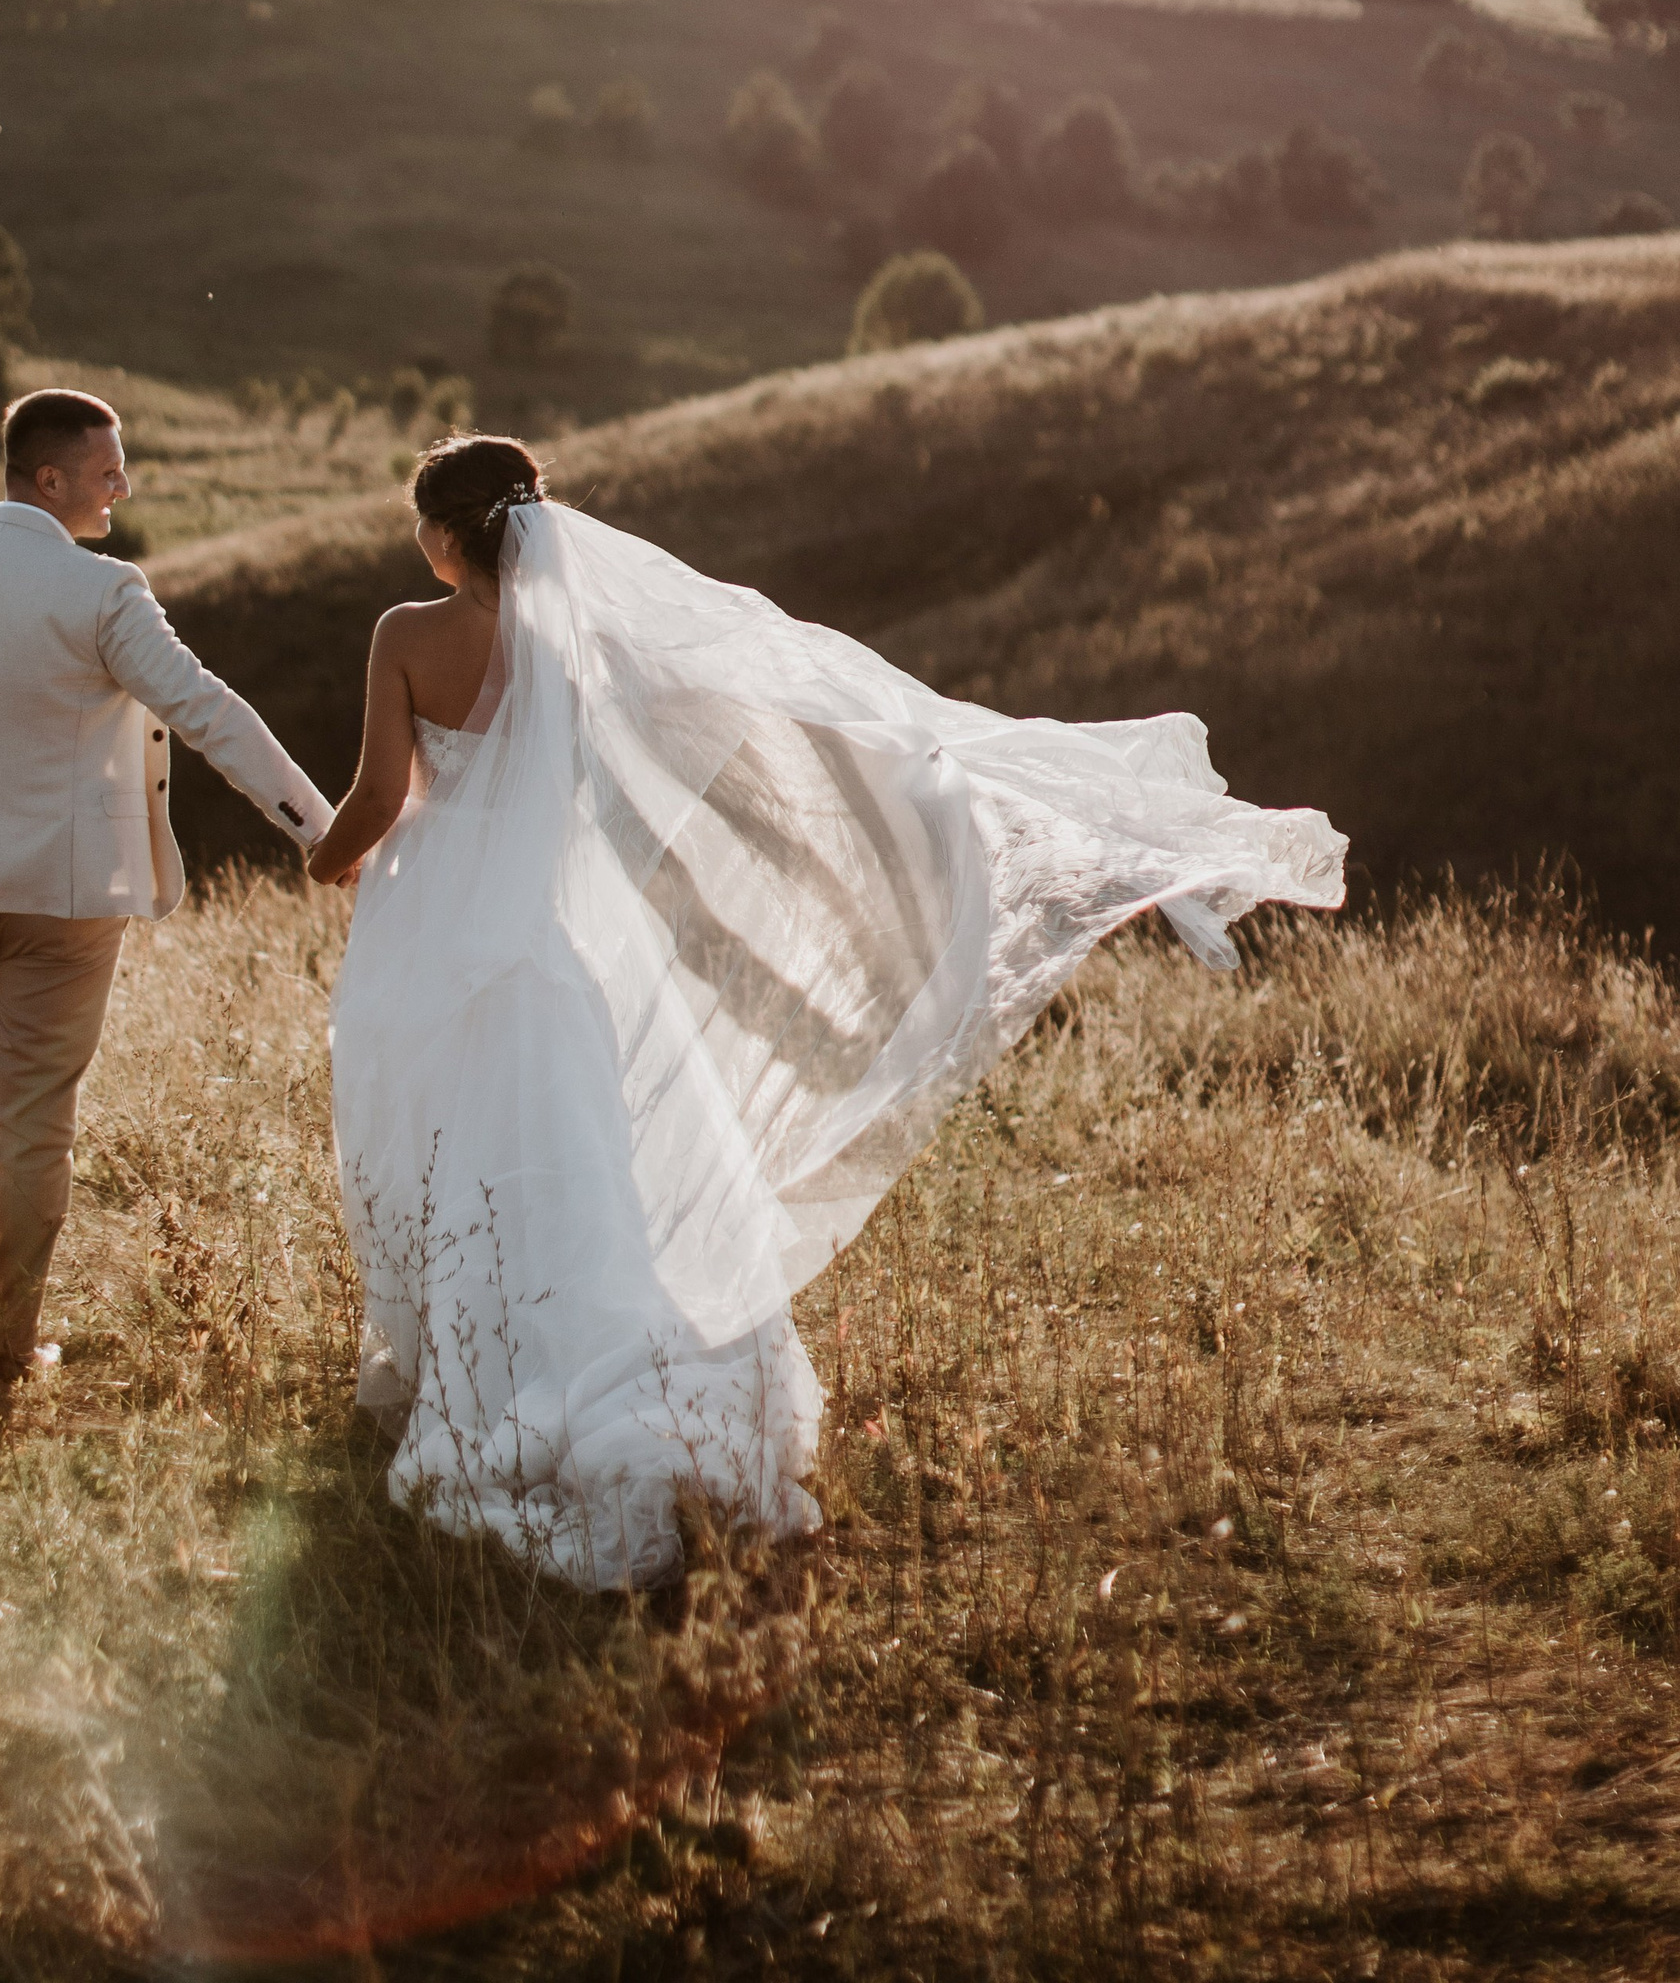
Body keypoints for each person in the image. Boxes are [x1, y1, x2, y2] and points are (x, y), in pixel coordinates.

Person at [305, 434, 1346, 1588]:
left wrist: (321, 858)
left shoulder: (406, 633)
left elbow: (375, 796)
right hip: (551, 955)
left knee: (450, 1158)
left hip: (441, 937)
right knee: (570, 1172)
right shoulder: (575, 646)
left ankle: (469, 1374)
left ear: (443, 540)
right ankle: (604, 1373)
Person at [0, 387, 334, 1358]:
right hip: (66, 891)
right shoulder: (103, 591)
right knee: (33, 1112)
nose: (123, 487)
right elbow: (205, 708)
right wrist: (314, 825)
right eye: (109, 471)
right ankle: (7, 1334)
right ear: (49, 477)